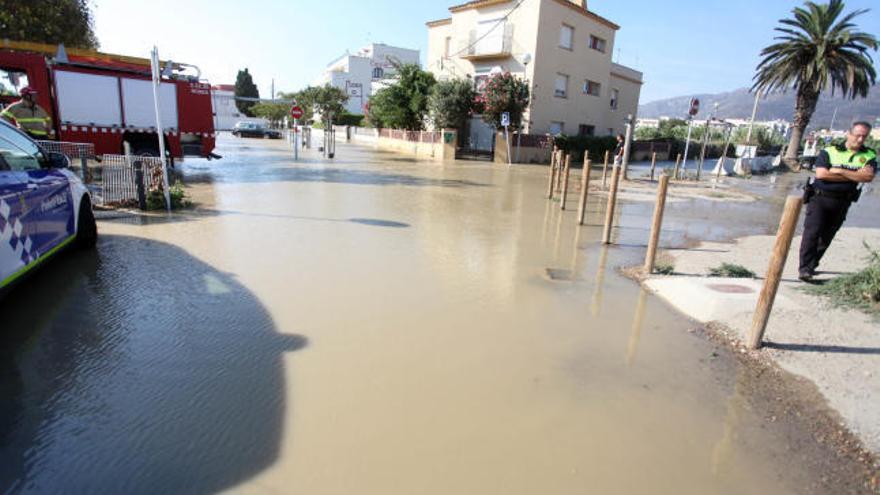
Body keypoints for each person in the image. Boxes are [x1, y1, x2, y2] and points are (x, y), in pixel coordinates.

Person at [798, 121, 876, 282]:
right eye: (857, 135)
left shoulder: (869, 155)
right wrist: (854, 174)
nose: (860, 139)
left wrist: (840, 170)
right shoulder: (830, 151)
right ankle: (804, 268)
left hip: (843, 201)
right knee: (812, 233)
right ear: (849, 134)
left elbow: (867, 177)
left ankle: (812, 265)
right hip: (819, 198)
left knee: (827, 237)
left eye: (864, 136)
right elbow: (821, 174)